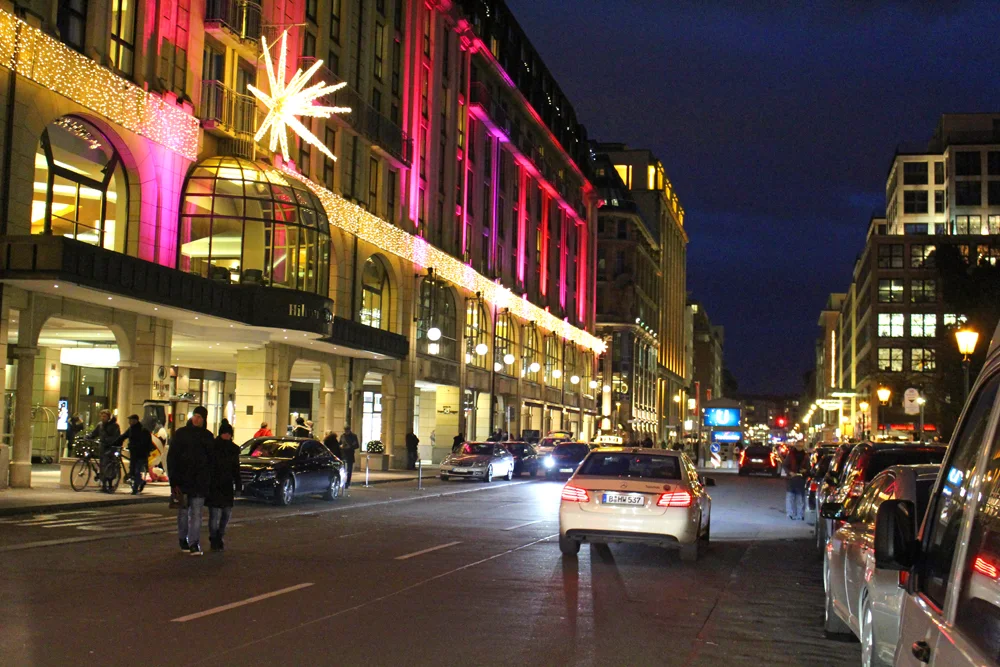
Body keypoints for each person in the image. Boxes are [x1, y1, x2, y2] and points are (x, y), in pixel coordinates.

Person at [167, 406, 214, 556]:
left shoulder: (207, 436)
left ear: (204, 419)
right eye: (195, 416)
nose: (196, 419)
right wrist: (173, 481)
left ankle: (194, 543)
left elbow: (211, 461)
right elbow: (172, 457)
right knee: (183, 512)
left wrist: (208, 480)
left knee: (196, 514)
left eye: (200, 417)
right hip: (183, 481)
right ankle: (183, 539)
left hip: (200, 482)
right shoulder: (181, 434)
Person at [206, 420, 241, 552]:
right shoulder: (213, 447)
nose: (227, 436)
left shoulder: (233, 450)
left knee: (226, 512)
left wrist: (238, 485)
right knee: (214, 514)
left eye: (229, 434)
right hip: (214, 484)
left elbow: (236, 469)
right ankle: (214, 538)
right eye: (225, 433)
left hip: (226, 484)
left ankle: (219, 534)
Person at [115, 414, 153, 495]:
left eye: (131, 420)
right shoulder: (131, 429)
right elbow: (123, 436)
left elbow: (147, 443)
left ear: (135, 420)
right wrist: (114, 443)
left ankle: (135, 488)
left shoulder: (143, 430)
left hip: (141, 454)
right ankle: (140, 482)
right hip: (133, 453)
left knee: (137, 470)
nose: (129, 422)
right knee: (132, 471)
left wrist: (145, 451)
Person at [90, 409, 121, 492]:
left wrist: (109, 441)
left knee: (109, 466)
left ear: (108, 417)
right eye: (102, 416)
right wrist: (88, 437)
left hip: (110, 448)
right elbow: (94, 433)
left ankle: (110, 485)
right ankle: (103, 485)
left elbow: (116, 437)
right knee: (102, 466)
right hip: (103, 448)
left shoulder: (114, 426)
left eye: (105, 416)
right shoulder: (100, 425)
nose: (103, 418)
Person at [783, 441, 808, 520]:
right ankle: (790, 513)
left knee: (800, 498)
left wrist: (805, 471)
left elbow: (809, 467)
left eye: (801, 446)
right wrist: (790, 472)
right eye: (798, 446)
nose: (799, 448)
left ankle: (800, 514)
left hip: (801, 479)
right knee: (790, 497)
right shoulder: (791, 455)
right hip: (791, 479)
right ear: (795, 446)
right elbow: (785, 465)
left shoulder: (806, 456)